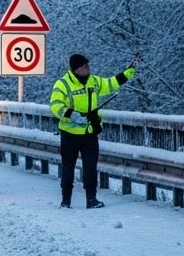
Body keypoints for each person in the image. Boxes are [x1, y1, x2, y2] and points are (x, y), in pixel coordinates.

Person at [49, 52, 137, 209]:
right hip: (69, 135)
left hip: (90, 133)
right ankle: (65, 200)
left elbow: (110, 83)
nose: (88, 67)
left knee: (90, 167)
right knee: (68, 168)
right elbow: (55, 106)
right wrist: (72, 115)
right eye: (84, 65)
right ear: (76, 69)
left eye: (87, 64)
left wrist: (126, 74)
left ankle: (91, 199)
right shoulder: (62, 84)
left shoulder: (93, 81)